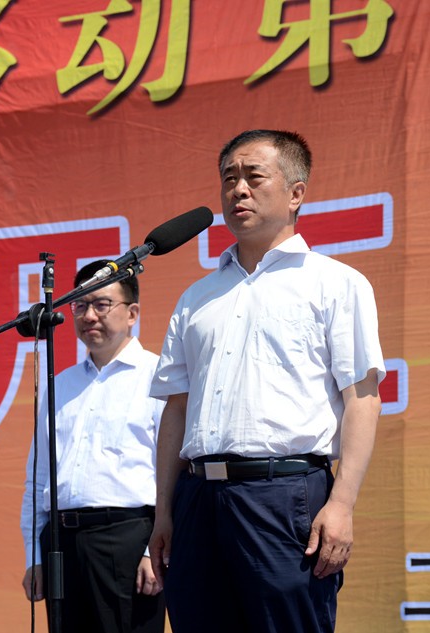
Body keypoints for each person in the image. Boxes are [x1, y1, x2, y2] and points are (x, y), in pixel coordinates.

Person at [148, 129, 385, 633]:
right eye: (228, 178)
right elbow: (176, 409)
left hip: (284, 497)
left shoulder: (335, 283)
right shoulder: (196, 297)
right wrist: (164, 510)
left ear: (296, 193)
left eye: (254, 177)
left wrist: (342, 504)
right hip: (197, 500)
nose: (238, 189)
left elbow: (362, 398)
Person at [20, 263, 165, 633]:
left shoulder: (159, 377)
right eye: (79, 305)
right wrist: (34, 555)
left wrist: (154, 550)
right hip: (61, 542)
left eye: (101, 304)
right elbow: (38, 479)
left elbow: (174, 473)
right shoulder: (59, 385)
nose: (88, 316)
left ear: (132, 313)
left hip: (129, 537)